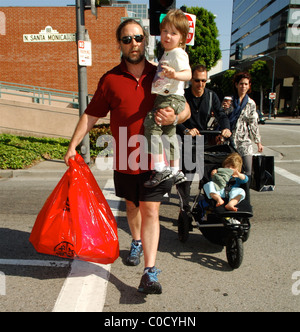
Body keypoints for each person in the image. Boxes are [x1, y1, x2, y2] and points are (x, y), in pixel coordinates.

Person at [64, 19, 190, 295]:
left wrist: (176, 115)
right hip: (125, 157)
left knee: (150, 210)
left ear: (145, 40)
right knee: (131, 206)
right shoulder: (110, 79)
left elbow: (186, 109)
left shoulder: (162, 73)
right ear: (119, 43)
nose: (133, 44)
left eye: (138, 38)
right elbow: (91, 114)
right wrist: (73, 145)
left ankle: (150, 271)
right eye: (126, 39)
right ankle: (135, 240)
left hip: (154, 160)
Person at [144, 9, 191, 189]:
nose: (168, 36)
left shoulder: (178, 53)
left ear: (182, 38)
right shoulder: (167, 53)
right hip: (169, 97)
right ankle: (176, 170)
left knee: (152, 122)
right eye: (165, 31)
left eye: (173, 33)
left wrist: (175, 74)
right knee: (170, 134)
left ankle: (160, 168)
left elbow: (188, 74)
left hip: (171, 98)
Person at [176, 64, 231, 212]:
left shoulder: (211, 96)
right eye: (197, 80)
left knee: (206, 176)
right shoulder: (182, 96)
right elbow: (174, 118)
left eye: (203, 81)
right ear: (191, 80)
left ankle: (208, 206)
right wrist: (186, 130)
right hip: (186, 141)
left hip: (204, 141)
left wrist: (225, 128)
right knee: (187, 177)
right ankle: (185, 208)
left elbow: (221, 114)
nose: (200, 84)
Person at [224, 72, 264, 177]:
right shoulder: (229, 101)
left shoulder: (251, 103)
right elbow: (222, 119)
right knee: (229, 170)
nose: (243, 86)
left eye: (246, 84)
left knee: (247, 171)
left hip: (244, 141)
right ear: (236, 85)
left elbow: (253, 124)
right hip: (229, 140)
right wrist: (224, 109)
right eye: (241, 83)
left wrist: (258, 142)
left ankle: (245, 192)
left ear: (249, 86)